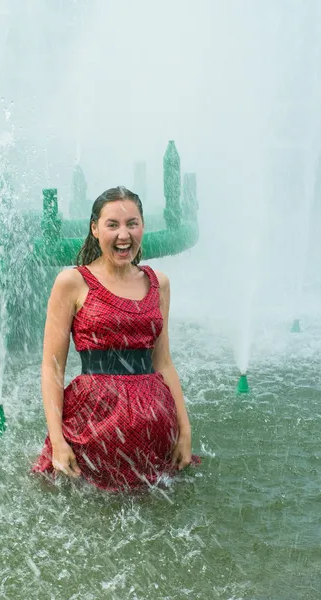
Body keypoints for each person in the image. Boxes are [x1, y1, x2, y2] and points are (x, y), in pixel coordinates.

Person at [32, 186, 200, 491]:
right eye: (113, 225)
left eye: (132, 224)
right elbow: (52, 367)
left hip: (154, 430)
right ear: (95, 229)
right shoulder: (73, 282)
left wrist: (185, 430)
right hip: (92, 425)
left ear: (142, 227)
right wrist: (57, 439)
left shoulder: (158, 283)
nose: (124, 235)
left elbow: (163, 362)